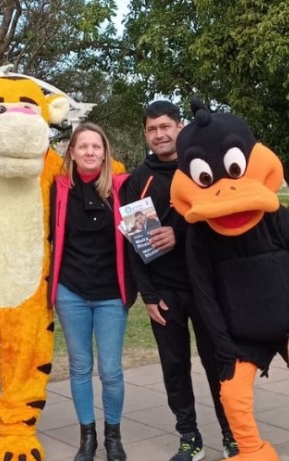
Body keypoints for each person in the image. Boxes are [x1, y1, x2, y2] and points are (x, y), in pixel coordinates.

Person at [171, 100, 289, 461]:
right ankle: (254, 452)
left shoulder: (276, 216)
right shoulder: (200, 234)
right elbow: (204, 292)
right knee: (232, 395)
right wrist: (223, 344)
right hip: (243, 336)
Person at [120, 101, 238, 460]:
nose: (159, 134)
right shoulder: (138, 181)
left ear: (180, 127)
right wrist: (148, 294)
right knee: (174, 367)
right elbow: (134, 244)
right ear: (146, 134)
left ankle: (232, 434)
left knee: (219, 362)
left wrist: (179, 234)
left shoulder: (202, 168)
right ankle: (189, 436)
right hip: (165, 291)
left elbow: (221, 222)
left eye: (165, 127)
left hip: (206, 287)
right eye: (152, 129)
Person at [49, 122, 136, 461]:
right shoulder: (58, 190)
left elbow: (145, 235)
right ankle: (88, 436)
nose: (89, 152)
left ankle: (113, 435)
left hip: (111, 294)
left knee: (111, 370)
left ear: (105, 153)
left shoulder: (122, 188)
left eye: (95, 146)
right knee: (80, 367)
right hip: (71, 292)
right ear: (71, 152)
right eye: (82, 146)